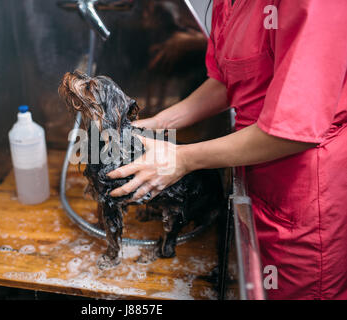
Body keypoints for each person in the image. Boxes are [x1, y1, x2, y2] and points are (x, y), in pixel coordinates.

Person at [107, 0, 347, 300]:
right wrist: (157, 124)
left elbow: (295, 131)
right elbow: (230, 80)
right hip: (253, 179)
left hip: (302, 198)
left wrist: (182, 159)